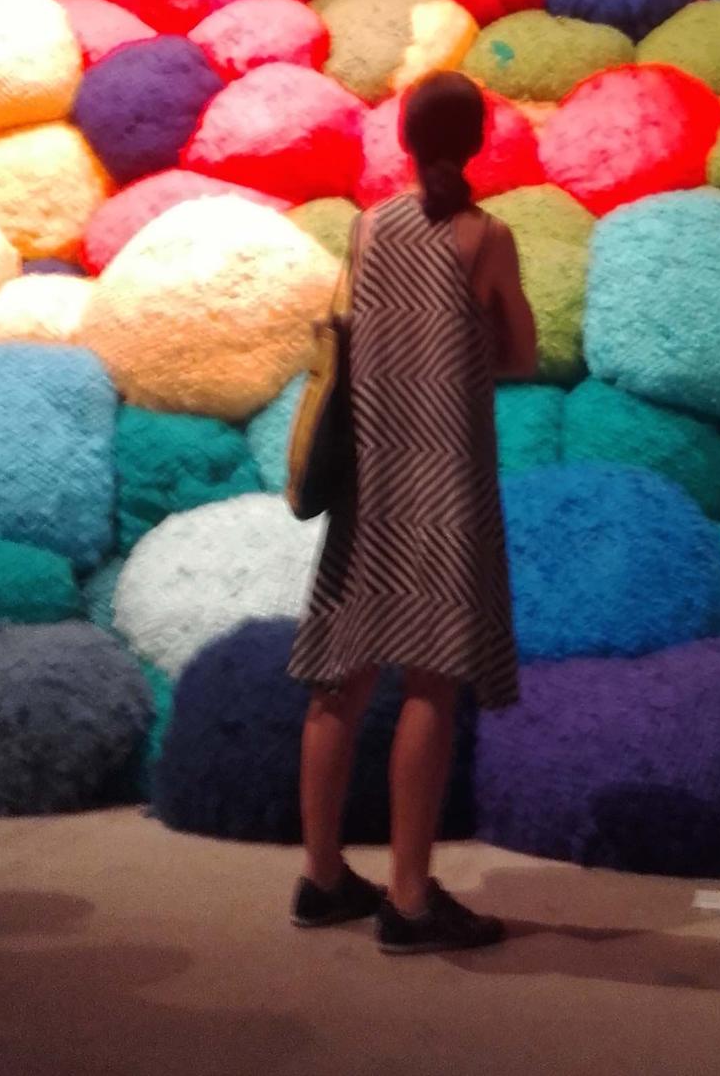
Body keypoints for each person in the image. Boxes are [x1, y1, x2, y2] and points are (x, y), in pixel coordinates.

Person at [288, 71, 537, 955]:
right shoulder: (486, 237)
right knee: (430, 678)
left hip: (368, 475)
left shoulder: (366, 227)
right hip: (444, 482)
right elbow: (520, 351)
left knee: (339, 676)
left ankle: (322, 879)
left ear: (401, 137)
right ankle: (409, 900)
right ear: (476, 143)